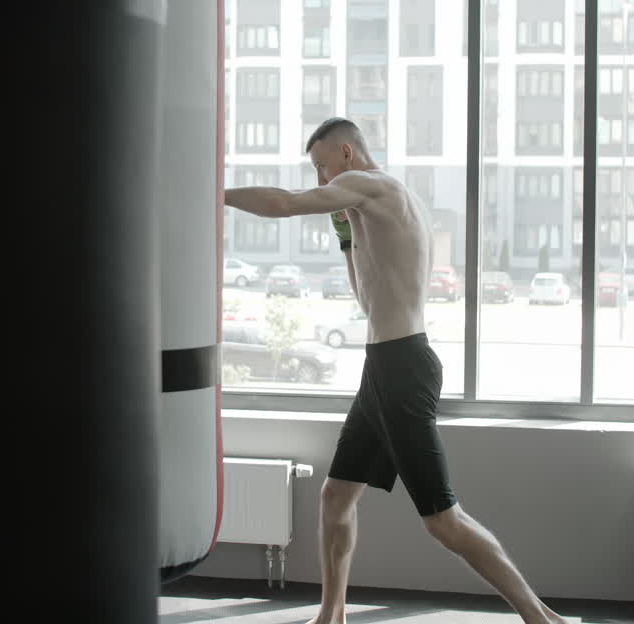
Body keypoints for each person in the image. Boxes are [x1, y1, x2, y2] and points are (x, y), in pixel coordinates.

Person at [224, 118, 571, 624]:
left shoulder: (375, 185)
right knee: (336, 496)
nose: (321, 180)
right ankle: (331, 617)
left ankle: (543, 619)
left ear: (346, 153)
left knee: (442, 520)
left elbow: (286, 203)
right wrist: (346, 237)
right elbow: (369, 299)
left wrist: (218, 192)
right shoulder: (372, 205)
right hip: (383, 367)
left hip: (403, 367)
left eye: (322, 166)